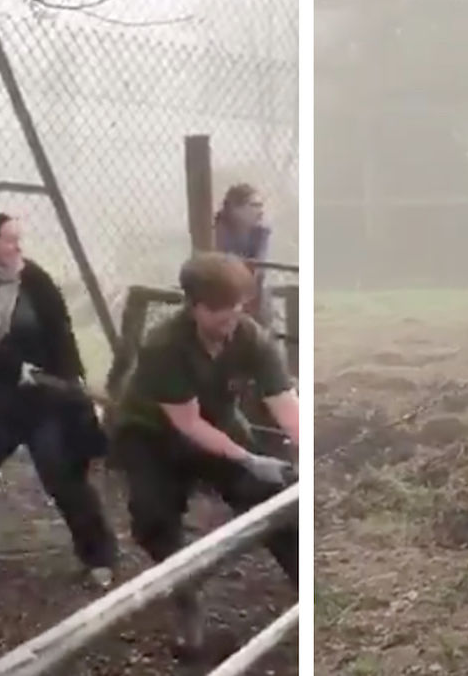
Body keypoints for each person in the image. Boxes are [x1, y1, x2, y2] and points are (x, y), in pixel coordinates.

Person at [110, 251, 299, 660]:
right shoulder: (164, 345)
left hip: (218, 420)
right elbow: (189, 424)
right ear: (194, 306)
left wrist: (305, 444)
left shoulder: (250, 336)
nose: (231, 316)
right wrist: (247, 458)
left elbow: (283, 399)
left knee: (273, 496)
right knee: (153, 517)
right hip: (152, 433)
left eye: (237, 305)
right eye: (218, 309)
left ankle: (308, 590)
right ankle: (186, 595)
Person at [0, 212, 119, 588]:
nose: (18, 247)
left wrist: (72, 387)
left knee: (63, 475)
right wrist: (12, 368)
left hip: (45, 401)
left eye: (18, 239)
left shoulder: (35, 281)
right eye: (9, 240)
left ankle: (99, 556)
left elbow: (63, 337)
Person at [214, 183, 274, 327]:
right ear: (235, 208)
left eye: (261, 206)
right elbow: (218, 264)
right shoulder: (219, 228)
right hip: (224, 286)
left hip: (251, 286)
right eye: (254, 205)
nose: (261, 211)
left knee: (262, 295)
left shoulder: (261, 231)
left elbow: (260, 267)